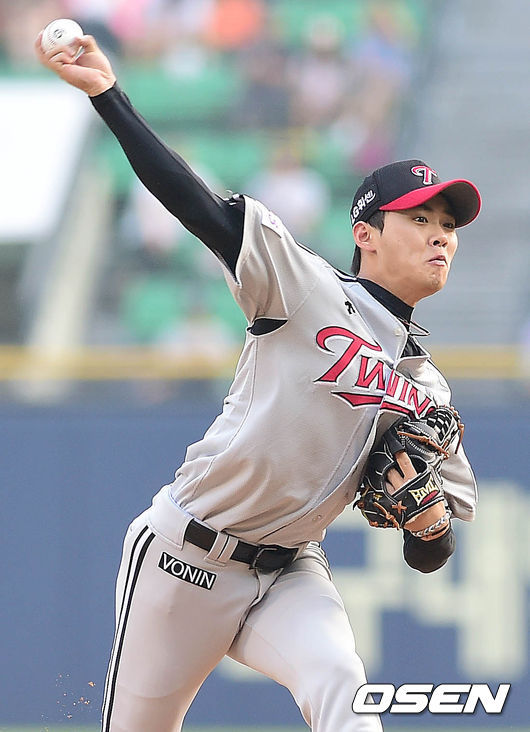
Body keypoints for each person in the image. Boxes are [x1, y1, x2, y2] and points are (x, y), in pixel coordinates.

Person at [35, 33, 481, 732]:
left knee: (342, 685)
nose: (440, 235)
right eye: (419, 218)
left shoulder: (430, 391)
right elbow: (197, 206)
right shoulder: (305, 288)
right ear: (365, 234)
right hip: (186, 556)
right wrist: (107, 96)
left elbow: (432, 553)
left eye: (448, 225)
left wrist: (427, 526)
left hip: (290, 572)